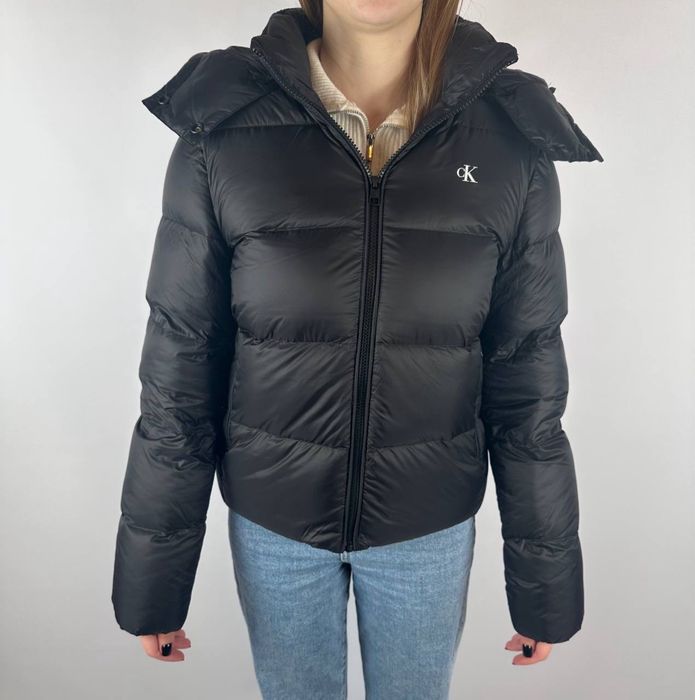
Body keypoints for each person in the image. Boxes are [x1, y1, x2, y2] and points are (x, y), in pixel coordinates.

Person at [111, 1, 603, 697]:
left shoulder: (507, 138)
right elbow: (179, 368)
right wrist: (153, 586)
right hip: (274, 521)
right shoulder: (223, 127)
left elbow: (528, 385)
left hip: (428, 525)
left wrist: (544, 591)